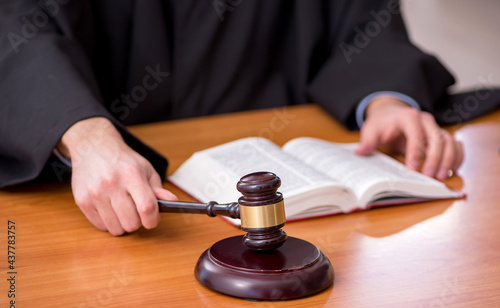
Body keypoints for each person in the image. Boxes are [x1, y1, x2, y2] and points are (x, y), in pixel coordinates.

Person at [1, 1, 497, 235]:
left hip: (301, 196)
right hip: (113, 175)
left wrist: (385, 100)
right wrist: (80, 133)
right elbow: (15, 24)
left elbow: (361, 20)